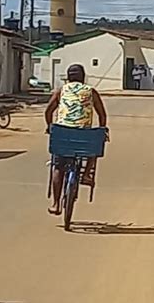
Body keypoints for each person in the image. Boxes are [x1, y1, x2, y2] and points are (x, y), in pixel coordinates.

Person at [45, 64, 107, 216]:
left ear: (68, 77)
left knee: (58, 167)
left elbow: (48, 111)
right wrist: (102, 129)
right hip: (84, 135)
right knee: (95, 143)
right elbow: (102, 115)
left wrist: (49, 126)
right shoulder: (91, 91)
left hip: (62, 133)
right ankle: (86, 174)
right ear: (83, 77)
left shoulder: (61, 91)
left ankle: (55, 204)